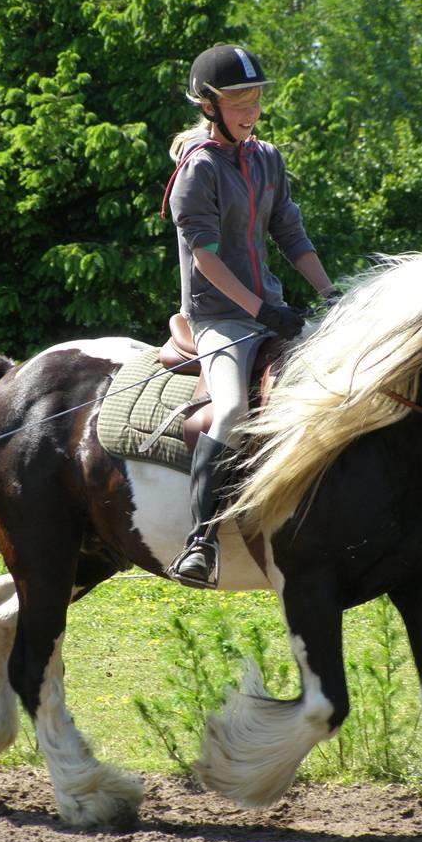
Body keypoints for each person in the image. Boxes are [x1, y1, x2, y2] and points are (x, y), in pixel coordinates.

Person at [164, 43, 339, 588]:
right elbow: (206, 260)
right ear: (209, 105)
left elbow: (291, 234)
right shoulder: (197, 170)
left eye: (256, 99)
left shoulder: (267, 158)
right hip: (218, 318)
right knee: (234, 408)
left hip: (271, 311)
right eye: (239, 101)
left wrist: (331, 294)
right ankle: (200, 543)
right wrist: (261, 309)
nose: (251, 110)